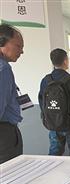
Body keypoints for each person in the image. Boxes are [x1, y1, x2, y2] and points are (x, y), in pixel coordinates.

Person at [39, 48, 70, 156]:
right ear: (65, 61)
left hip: (53, 123)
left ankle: (52, 167)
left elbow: (42, 102)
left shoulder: (46, 80)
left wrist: (48, 117)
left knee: (54, 153)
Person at [0, 24, 24, 164]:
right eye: (18, 46)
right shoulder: (3, 69)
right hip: (4, 135)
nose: (21, 51)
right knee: (9, 173)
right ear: (2, 43)